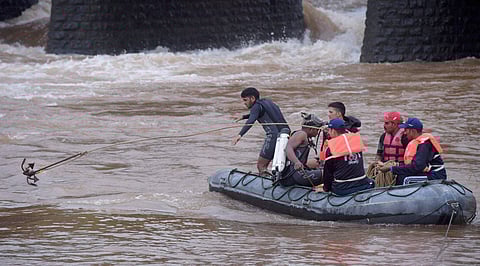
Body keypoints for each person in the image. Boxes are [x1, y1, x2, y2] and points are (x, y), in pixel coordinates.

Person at [232, 87, 290, 174]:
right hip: (285, 135)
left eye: (245, 100)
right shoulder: (267, 102)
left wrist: (239, 135)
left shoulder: (256, 107)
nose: (244, 103)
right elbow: (256, 114)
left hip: (273, 137)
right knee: (280, 165)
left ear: (252, 98)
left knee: (261, 165)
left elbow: (251, 121)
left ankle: (267, 185)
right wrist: (243, 117)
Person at [379, 117, 446, 185]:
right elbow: (414, 165)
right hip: (426, 172)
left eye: (406, 130)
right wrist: (391, 166)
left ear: (413, 131)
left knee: (405, 179)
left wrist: (392, 169)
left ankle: (401, 195)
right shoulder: (417, 143)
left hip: (435, 175)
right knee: (401, 176)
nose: (404, 132)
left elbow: (417, 167)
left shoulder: (424, 145)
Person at [322, 118, 374, 195]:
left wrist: (325, 189)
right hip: (363, 184)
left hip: (342, 188)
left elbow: (328, 174)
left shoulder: (330, 148)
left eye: (329, 130)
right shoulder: (357, 141)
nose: (328, 133)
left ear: (333, 131)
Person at [278, 112, 325, 187]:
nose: (318, 133)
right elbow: (288, 148)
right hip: (297, 175)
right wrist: (296, 162)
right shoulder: (301, 134)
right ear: (311, 129)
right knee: (328, 173)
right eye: (317, 130)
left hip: (296, 174)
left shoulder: (305, 136)